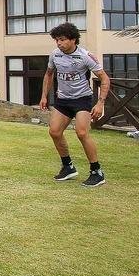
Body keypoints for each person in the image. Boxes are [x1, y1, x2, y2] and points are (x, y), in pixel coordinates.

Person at [39, 22, 111, 187]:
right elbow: (49, 74)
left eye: (62, 40)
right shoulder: (55, 55)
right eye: (57, 40)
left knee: (81, 133)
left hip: (82, 99)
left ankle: (97, 172)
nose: (59, 43)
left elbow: (104, 78)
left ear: (73, 40)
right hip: (63, 99)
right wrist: (44, 96)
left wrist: (100, 104)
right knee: (55, 132)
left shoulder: (85, 56)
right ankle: (68, 167)